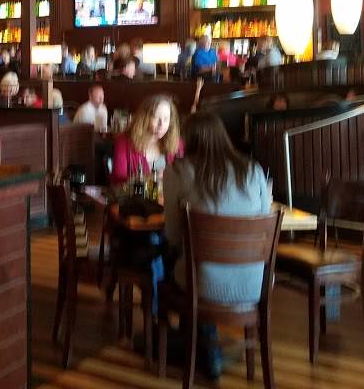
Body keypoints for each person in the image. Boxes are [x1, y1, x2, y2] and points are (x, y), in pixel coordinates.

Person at [162, 112, 272, 380]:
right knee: (195, 262)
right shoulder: (253, 170)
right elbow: (264, 223)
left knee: (171, 260)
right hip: (254, 284)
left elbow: (173, 235)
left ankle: (192, 345)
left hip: (203, 285)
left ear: (188, 139)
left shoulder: (178, 171)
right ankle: (200, 344)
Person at [109, 94, 182, 186]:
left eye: (166, 119)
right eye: (156, 117)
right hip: (136, 195)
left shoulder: (177, 142)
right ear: (144, 118)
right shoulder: (124, 142)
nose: (162, 124)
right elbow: (118, 181)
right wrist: (152, 178)